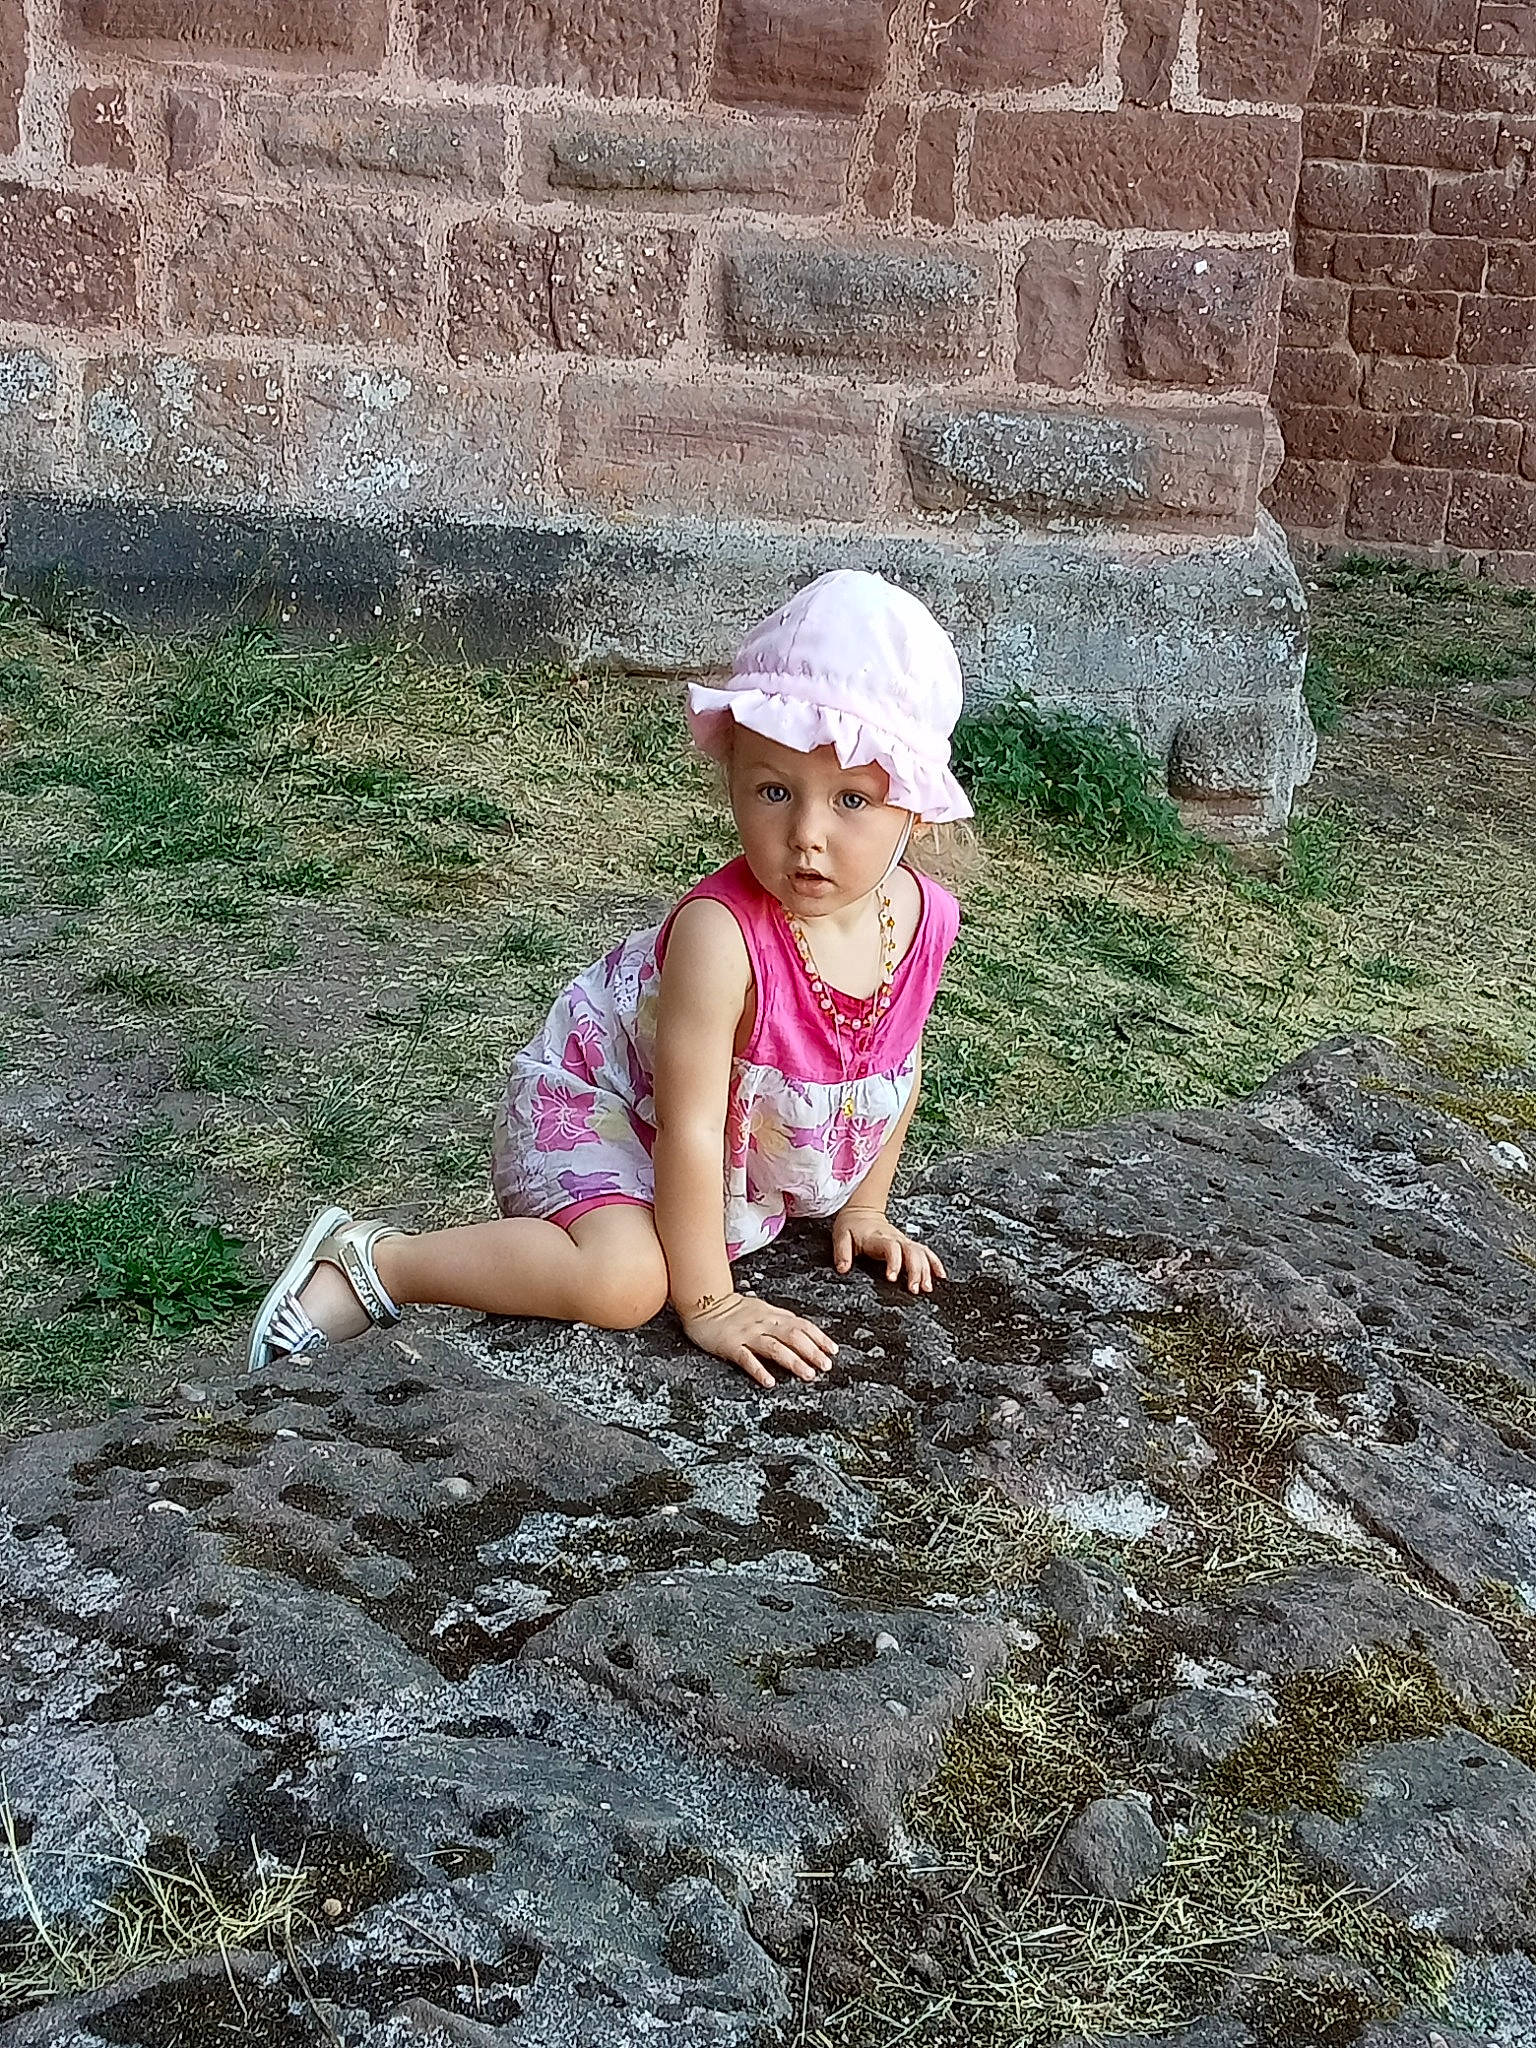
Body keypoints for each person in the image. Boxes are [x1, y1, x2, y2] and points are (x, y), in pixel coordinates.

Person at [247, 568, 973, 1392]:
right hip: (600, 1108)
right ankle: (375, 1262)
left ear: (914, 808)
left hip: (702, 1150)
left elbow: (897, 1069)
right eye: (774, 791)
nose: (806, 835)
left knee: (656, 1262)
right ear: (733, 778)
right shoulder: (721, 936)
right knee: (628, 1284)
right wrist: (709, 1299)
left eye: (852, 800)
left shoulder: (923, 921)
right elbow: (692, 1126)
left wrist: (864, 1209)